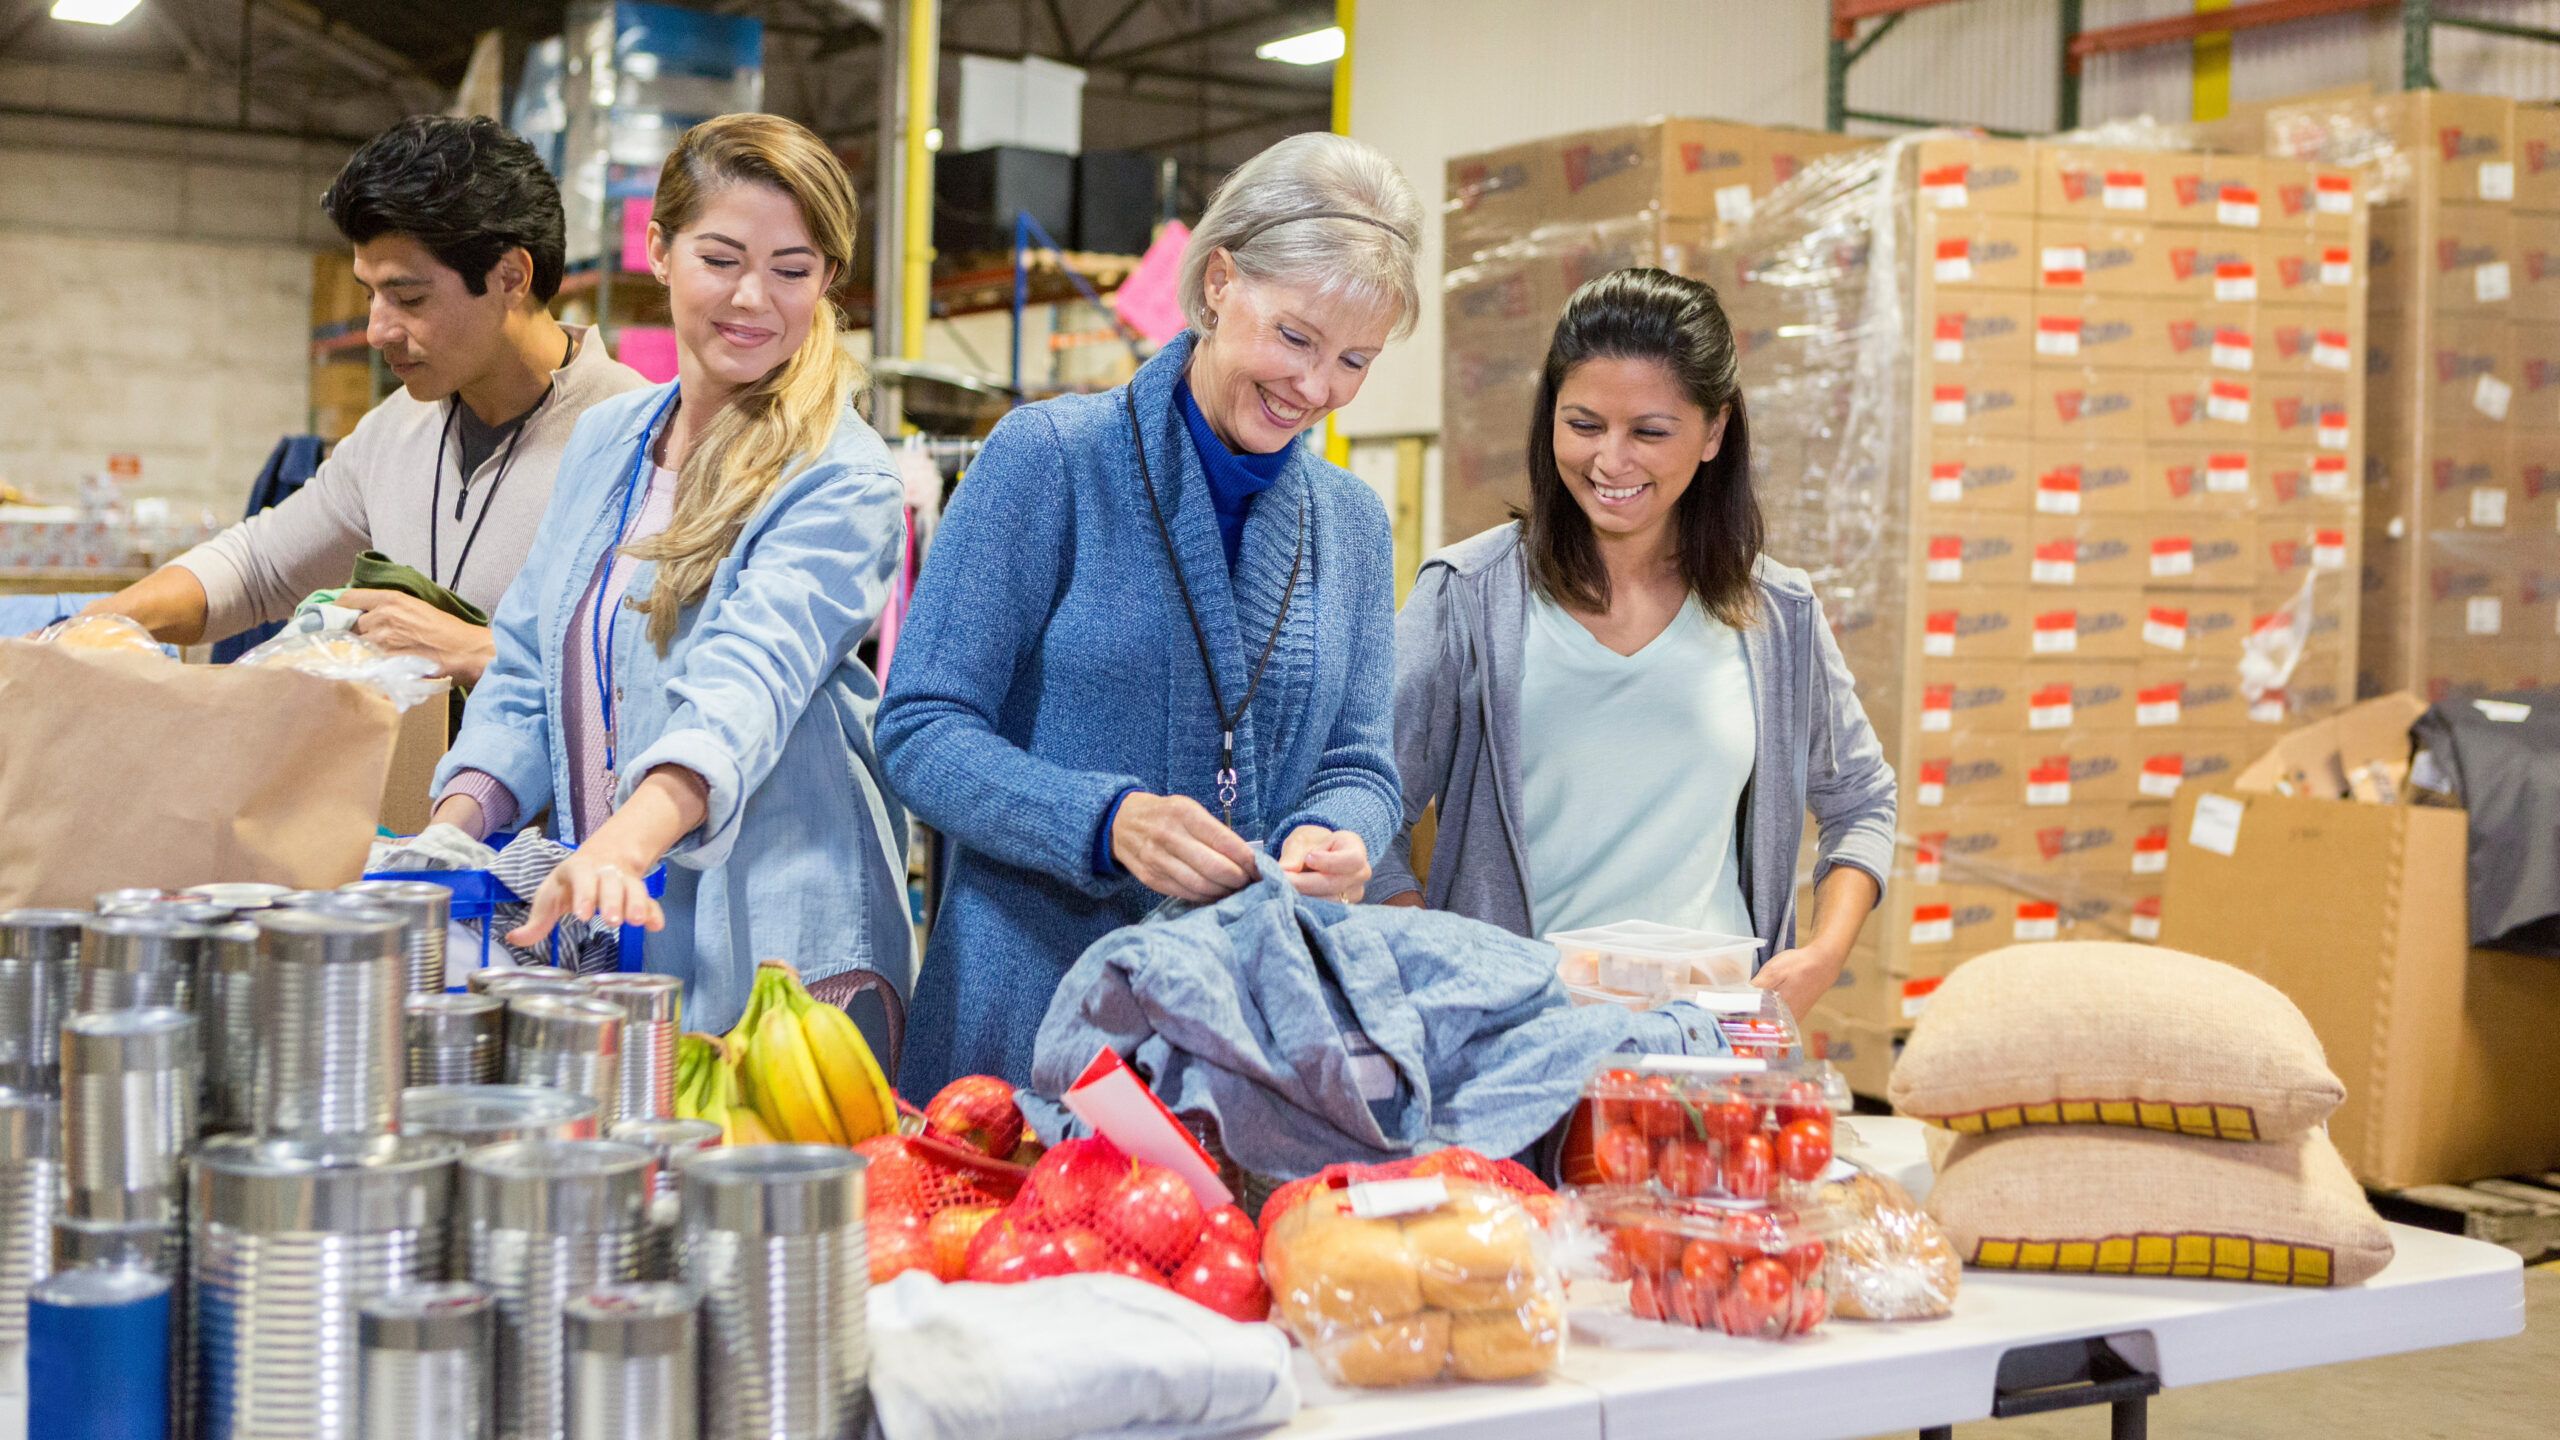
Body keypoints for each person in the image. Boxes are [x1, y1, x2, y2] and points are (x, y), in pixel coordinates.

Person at [879, 132, 1424, 1094]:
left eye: (1354, 361)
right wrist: (1104, 821)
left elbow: (1360, 763)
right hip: (1028, 1026)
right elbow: (920, 729)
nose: (1316, 388)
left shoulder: (1352, 525)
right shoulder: (1050, 459)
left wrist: (1341, 834)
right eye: (1294, 338)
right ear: (1219, 282)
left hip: (1241, 1046)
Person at [425, 113, 912, 1036]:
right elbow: (530, 658)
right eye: (722, 258)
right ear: (659, 247)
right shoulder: (611, 439)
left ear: (828, 283)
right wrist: (455, 830)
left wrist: (623, 841)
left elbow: (746, 687)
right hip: (621, 912)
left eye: (792, 269)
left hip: (781, 950)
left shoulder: (839, 475)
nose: (754, 299)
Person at [1375, 268, 1895, 1024]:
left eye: (1649, 432)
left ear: (1714, 431)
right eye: (1583, 425)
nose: (1611, 461)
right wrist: (1425, 944)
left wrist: (1823, 953)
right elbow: (1363, 802)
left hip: (1706, 1041)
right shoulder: (1467, 596)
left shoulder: (1776, 616)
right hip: (1510, 1038)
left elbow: (1863, 800)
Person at [81, 116, 648, 679]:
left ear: (510, 277)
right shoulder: (395, 431)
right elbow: (258, 567)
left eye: (408, 297)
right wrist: (88, 627)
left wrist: (482, 651)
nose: (378, 331)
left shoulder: (642, 445)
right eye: (370, 294)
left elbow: (654, 672)